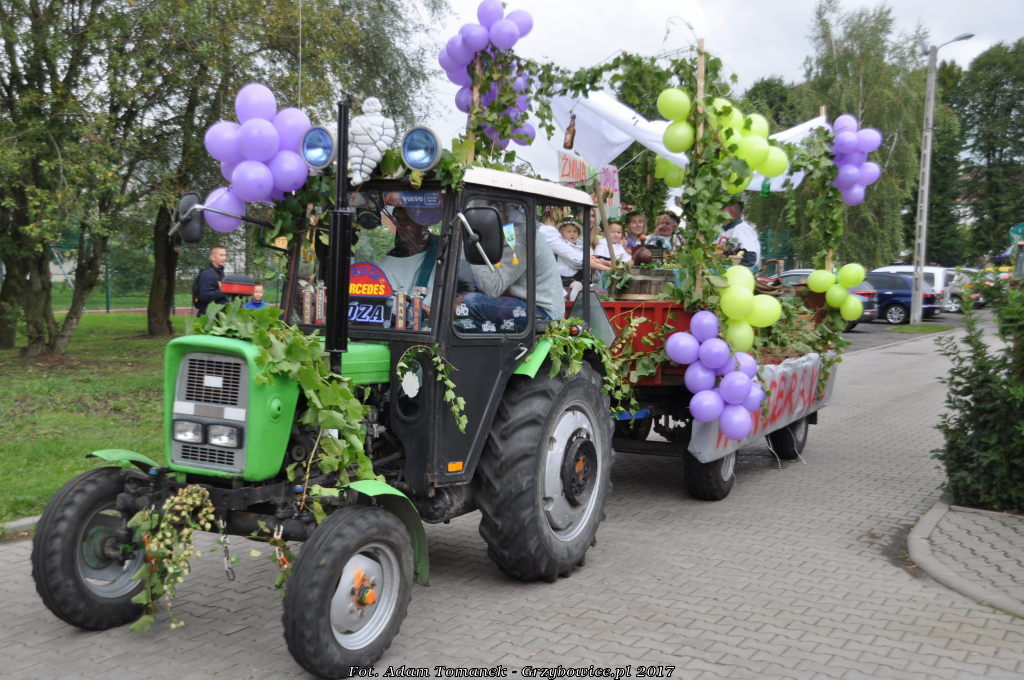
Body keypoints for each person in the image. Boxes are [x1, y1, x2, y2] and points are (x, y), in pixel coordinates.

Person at [457, 199, 564, 331]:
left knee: (470, 304)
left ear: (498, 209)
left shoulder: (518, 237)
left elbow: (493, 288)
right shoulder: (506, 231)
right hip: (521, 302)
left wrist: (475, 245)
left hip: (543, 313)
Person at [379, 206, 438, 326]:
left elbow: (462, 300)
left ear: (424, 222)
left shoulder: (445, 251)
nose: (401, 225)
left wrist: (437, 312)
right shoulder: (385, 263)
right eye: (398, 220)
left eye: (407, 220)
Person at [718, 201, 761, 270]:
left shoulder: (741, 229)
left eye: (721, 209)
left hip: (742, 272)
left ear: (729, 210)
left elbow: (750, 259)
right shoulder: (724, 230)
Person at [194, 245, 229, 316]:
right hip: (209, 316)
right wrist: (223, 290)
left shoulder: (220, 274)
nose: (224, 258)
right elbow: (205, 296)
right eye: (221, 255)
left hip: (219, 315)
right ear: (213, 257)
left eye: (225, 255)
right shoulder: (207, 274)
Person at [555, 220, 585, 287]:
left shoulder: (579, 247)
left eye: (575, 231)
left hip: (576, 276)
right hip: (560, 276)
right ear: (561, 234)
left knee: (577, 286)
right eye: (569, 231)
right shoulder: (560, 245)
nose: (572, 234)